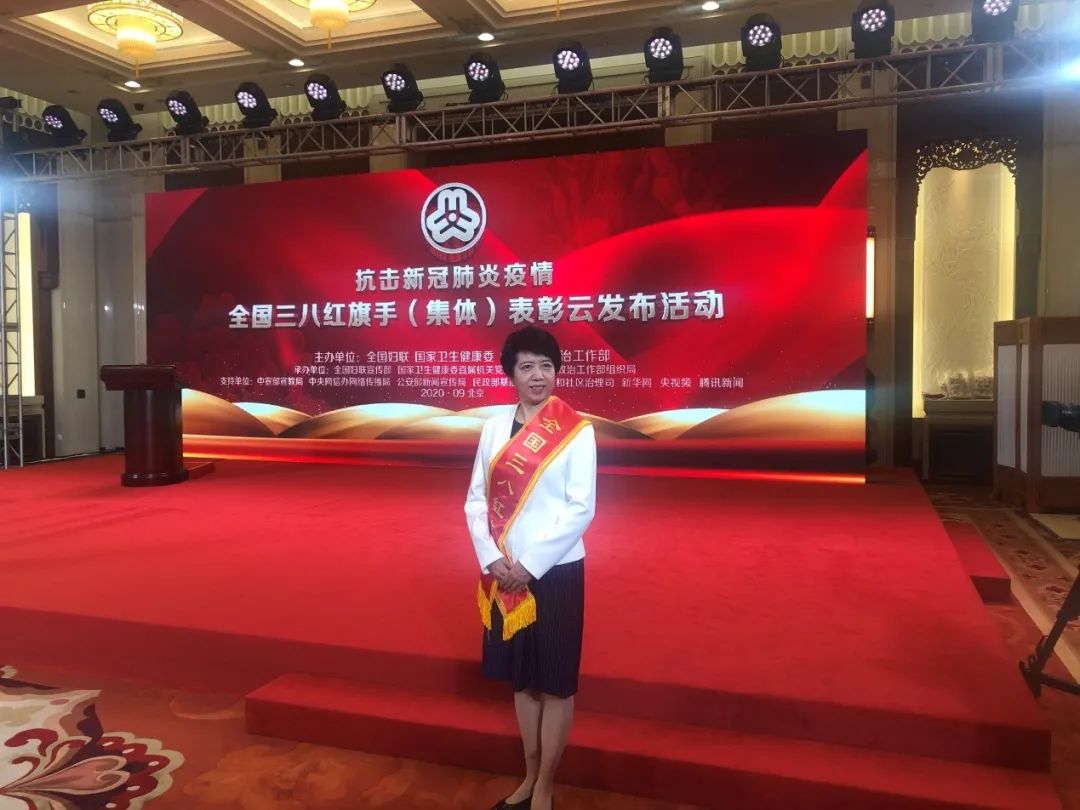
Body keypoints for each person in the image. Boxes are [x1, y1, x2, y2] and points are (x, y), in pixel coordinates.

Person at [465, 326, 597, 810]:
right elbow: (476, 499)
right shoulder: (493, 428)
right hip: (504, 573)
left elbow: (581, 508)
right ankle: (528, 776)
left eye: (545, 365)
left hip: (555, 571)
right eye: (527, 366)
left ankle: (545, 787)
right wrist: (491, 557)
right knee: (523, 680)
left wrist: (530, 564)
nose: (538, 375)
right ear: (512, 374)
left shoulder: (577, 431)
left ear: (556, 371)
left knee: (555, 683)